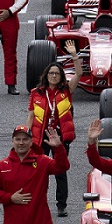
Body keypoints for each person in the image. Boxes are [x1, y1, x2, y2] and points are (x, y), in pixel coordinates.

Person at [28, 61, 78, 214]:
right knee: (39, 170)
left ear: (61, 76)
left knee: (60, 170)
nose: (54, 76)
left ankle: (61, 205)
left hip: (59, 135)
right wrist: (26, 134)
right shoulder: (36, 92)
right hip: (41, 136)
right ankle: (38, 202)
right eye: (51, 73)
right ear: (46, 76)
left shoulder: (66, 90)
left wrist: (75, 56)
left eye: (57, 73)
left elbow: (79, 74)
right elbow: (31, 115)